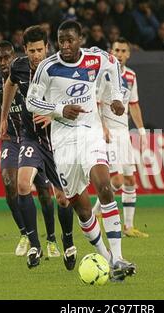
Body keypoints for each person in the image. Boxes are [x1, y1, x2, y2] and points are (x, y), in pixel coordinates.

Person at [26, 20, 136, 282]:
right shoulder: (48, 66)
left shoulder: (96, 58)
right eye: (61, 40)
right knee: (81, 207)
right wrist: (59, 110)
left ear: (80, 39)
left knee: (105, 186)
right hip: (63, 142)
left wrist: (119, 99)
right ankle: (107, 261)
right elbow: (31, 100)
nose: (65, 45)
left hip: (91, 133)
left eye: (70, 40)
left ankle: (119, 256)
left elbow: (118, 74)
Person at [0, 26, 76, 270]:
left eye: (40, 50)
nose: (35, 55)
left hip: (58, 139)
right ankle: (34, 244)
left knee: (63, 199)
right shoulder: (19, 67)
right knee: (22, 184)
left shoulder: (60, 68)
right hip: (31, 137)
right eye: (31, 50)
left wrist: (54, 115)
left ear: (47, 48)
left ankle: (67, 241)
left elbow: (75, 100)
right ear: (25, 50)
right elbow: (10, 85)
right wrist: (3, 117)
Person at [0, 40, 65, 258]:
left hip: (34, 138)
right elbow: (6, 104)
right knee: (10, 182)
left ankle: (51, 239)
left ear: (15, 57)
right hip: (12, 138)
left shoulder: (31, 75)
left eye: (7, 57)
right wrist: (0, 123)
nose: (3, 62)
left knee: (44, 192)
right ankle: (26, 234)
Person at [92, 37, 149, 238]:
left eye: (124, 51)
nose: (120, 54)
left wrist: (141, 131)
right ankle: (96, 212)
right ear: (111, 51)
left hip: (124, 133)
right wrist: (103, 127)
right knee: (115, 179)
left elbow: (133, 104)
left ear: (129, 53)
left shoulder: (132, 76)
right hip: (108, 133)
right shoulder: (103, 73)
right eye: (117, 50)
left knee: (130, 180)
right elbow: (96, 103)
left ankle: (128, 227)